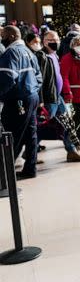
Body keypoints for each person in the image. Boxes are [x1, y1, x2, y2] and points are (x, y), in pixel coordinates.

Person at [0, 26, 42, 179]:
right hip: (31, 97)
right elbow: (38, 77)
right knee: (31, 134)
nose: (1, 39)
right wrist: (32, 91)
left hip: (17, 100)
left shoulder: (11, 53)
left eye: (3, 36)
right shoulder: (28, 52)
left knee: (12, 136)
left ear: (11, 36)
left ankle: (5, 175)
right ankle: (30, 168)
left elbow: (7, 79)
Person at [40, 30, 80, 161]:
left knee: (68, 123)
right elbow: (41, 80)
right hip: (49, 98)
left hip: (57, 96)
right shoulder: (42, 56)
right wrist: (41, 100)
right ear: (44, 41)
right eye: (51, 40)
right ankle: (30, 150)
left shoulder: (55, 55)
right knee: (42, 125)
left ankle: (71, 151)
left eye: (57, 40)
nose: (55, 42)